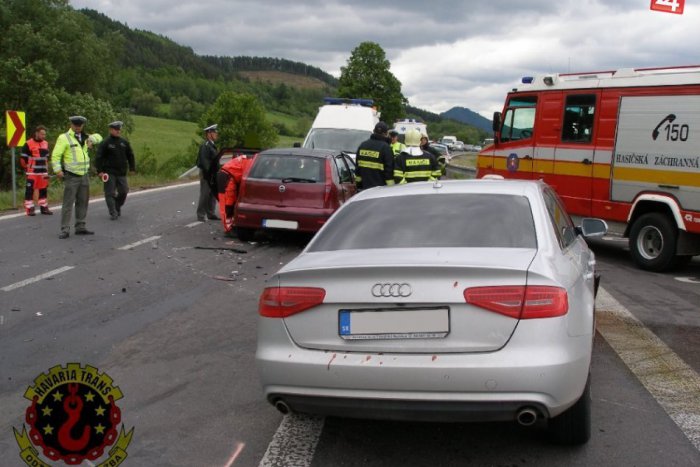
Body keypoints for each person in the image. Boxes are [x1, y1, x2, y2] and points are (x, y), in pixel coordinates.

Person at [51, 116, 93, 239]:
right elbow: (56, 155)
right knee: (68, 203)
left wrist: (91, 140)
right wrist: (57, 170)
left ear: (82, 126)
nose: (78, 127)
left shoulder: (85, 137)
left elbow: (99, 137)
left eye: (80, 125)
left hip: (84, 175)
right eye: (75, 125)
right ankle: (65, 229)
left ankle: (80, 226)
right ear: (71, 125)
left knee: (83, 202)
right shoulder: (64, 138)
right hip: (72, 176)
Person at [95, 121, 136, 220]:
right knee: (110, 193)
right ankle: (113, 212)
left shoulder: (124, 142)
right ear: (111, 130)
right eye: (116, 129)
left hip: (121, 172)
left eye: (119, 130)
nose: (118, 131)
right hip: (109, 172)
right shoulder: (105, 143)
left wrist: (132, 168)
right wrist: (99, 171)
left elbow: (130, 155)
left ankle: (117, 205)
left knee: (124, 191)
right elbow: (98, 157)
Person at [216, 151, 257, 235]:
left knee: (231, 202)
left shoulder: (248, 158)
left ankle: (231, 225)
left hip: (231, 178)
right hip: (226, 177)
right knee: (227, 204)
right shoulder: (250, 161)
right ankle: (228, 229)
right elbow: (246, 178)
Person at [20, 125, 52, 216]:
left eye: (44, 134)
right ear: (37, 133)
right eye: (42, 134)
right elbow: (23, 159)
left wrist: (47, 170)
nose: (43, 136)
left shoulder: (45, 143)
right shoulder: (28, 143)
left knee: (43, 190)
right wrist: (27, 168)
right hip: (32, 171)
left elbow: (46, 158)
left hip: (43, 172)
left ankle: (44, 207)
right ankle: (29, 208)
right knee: (29, 190)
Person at [355, 121, 395, 190]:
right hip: (379, 191)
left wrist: (359, 186)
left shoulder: (362, 145)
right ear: (386, 133)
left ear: (374, 131)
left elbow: (358, 170)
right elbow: (389, 172)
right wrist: (391, 189)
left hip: (364, 190)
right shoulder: (386, 148)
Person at [196, 124, 220, 221]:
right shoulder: (205, 146)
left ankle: (211, 213)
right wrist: (209, 174)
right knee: (205, 193)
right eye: (215, 132)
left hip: (213, 173)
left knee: (212, 194)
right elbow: (204, 161)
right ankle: (201, 215)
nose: (216, 134)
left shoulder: (212, 145)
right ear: (209, 133)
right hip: (207, 173)